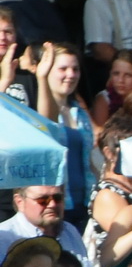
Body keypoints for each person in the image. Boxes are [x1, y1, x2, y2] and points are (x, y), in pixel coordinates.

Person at [30, 43, 98, 223]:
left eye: (75, 69)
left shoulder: (80, 113)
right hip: (56, 203)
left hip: (84, 202)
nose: (71, 74)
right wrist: (41, 78)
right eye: (63, 68)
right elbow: (47, 126)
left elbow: (88, 161)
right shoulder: (36, 109)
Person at [0, 185, 89, 267]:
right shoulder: (3, 237)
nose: (52, 204)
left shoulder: (69, 231)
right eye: (42, 200)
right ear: (19, 201)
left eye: (57, 198)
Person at [90, 49, 132, 129]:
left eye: (128, 75)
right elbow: (99, 133)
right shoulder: (104, 99)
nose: (121, 80)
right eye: (116, 74)